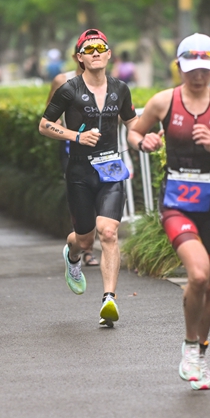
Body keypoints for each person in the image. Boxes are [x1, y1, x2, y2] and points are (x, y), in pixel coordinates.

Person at [128, 33, 210, 390]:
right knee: (195, 276)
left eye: (205, 69)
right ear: (179, 67)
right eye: (191, 69)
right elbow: (134, 131)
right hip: (177, 202)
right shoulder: (164, 102)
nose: (198, 76)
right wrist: (143, 142)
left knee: (207, 285)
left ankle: (200, 352)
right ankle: (189, 347)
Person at [39, 28, 138, 327]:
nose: (95, 53)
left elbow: (132, 124)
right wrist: (75, 137)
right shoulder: (68, 89)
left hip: (110, 169)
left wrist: (142, 140)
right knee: (84, 239)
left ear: (109, 55)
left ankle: (109, 298)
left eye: (101, 48)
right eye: (89, 50)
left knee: (108, 232)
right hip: (80, 172)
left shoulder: (121, 89)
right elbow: (45, 125)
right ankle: (72, 257)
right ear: (80, 58)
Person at [45, 41, 100, 267]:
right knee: (80, 196)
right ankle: (84, 246)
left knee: (99, 195)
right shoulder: (62, 80)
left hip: (100, 149)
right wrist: (63, 128)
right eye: (86, 51)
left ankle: (86, 244)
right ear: (76, 56)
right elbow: (49, 115)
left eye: (97, 51)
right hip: (72, 148)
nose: (91, 56)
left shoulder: (105, 82)